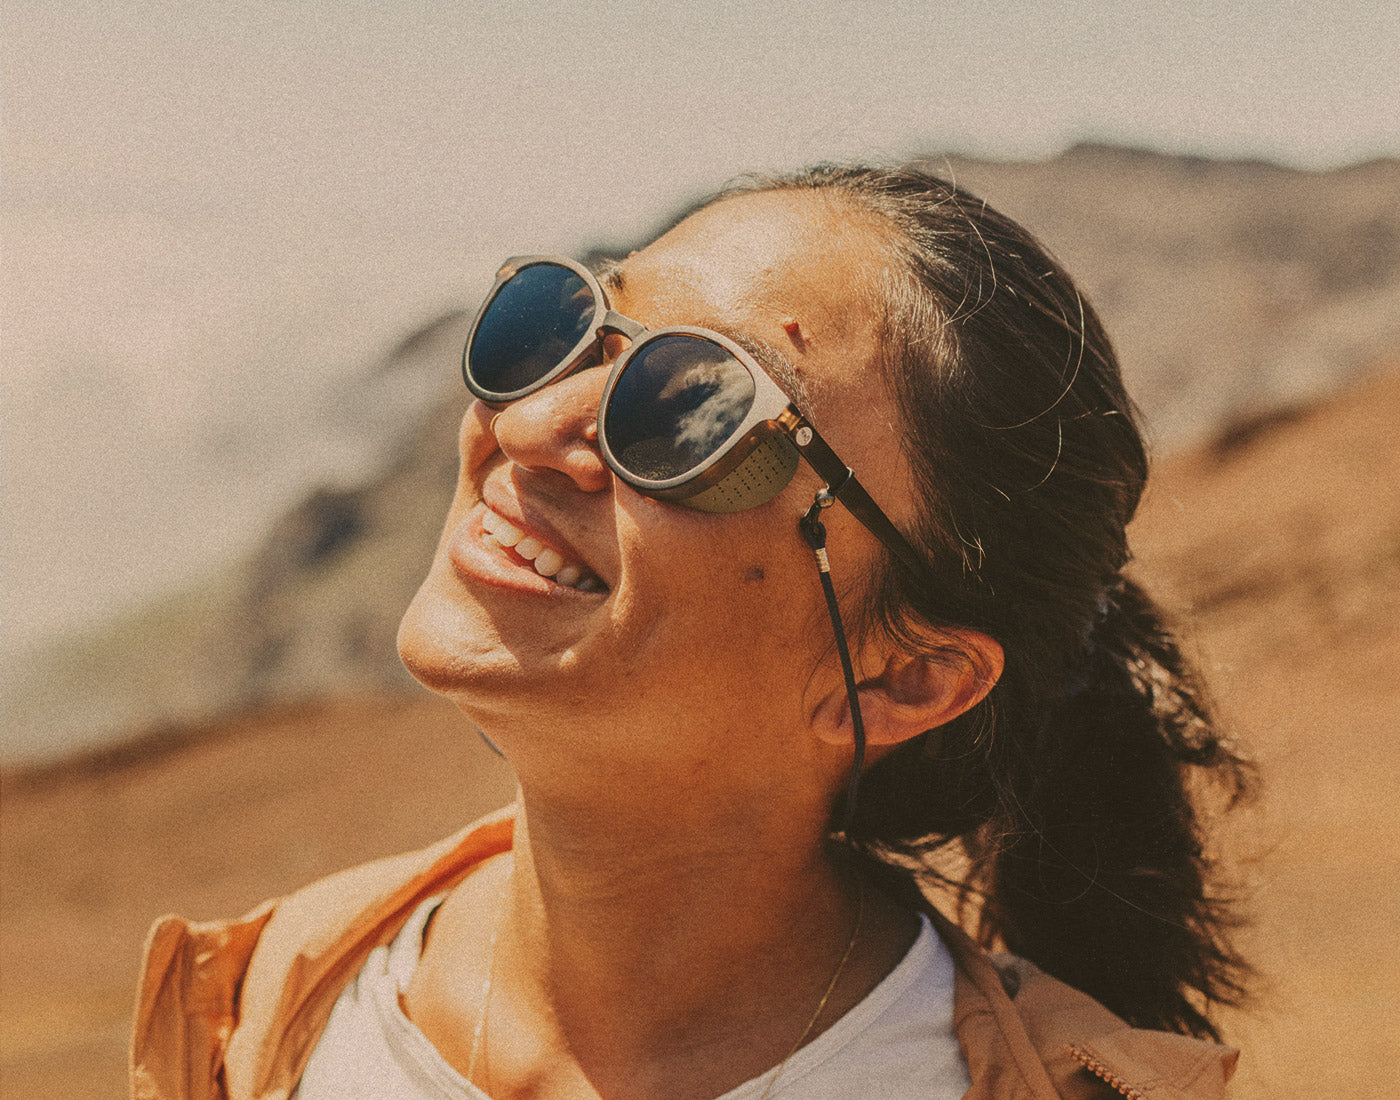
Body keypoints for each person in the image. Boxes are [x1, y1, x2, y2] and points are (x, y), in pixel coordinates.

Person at [131, 165, 1253, 1100]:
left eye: (701, 407)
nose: (525, 427)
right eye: (567, 327)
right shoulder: (276, 997)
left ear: (902, 676)